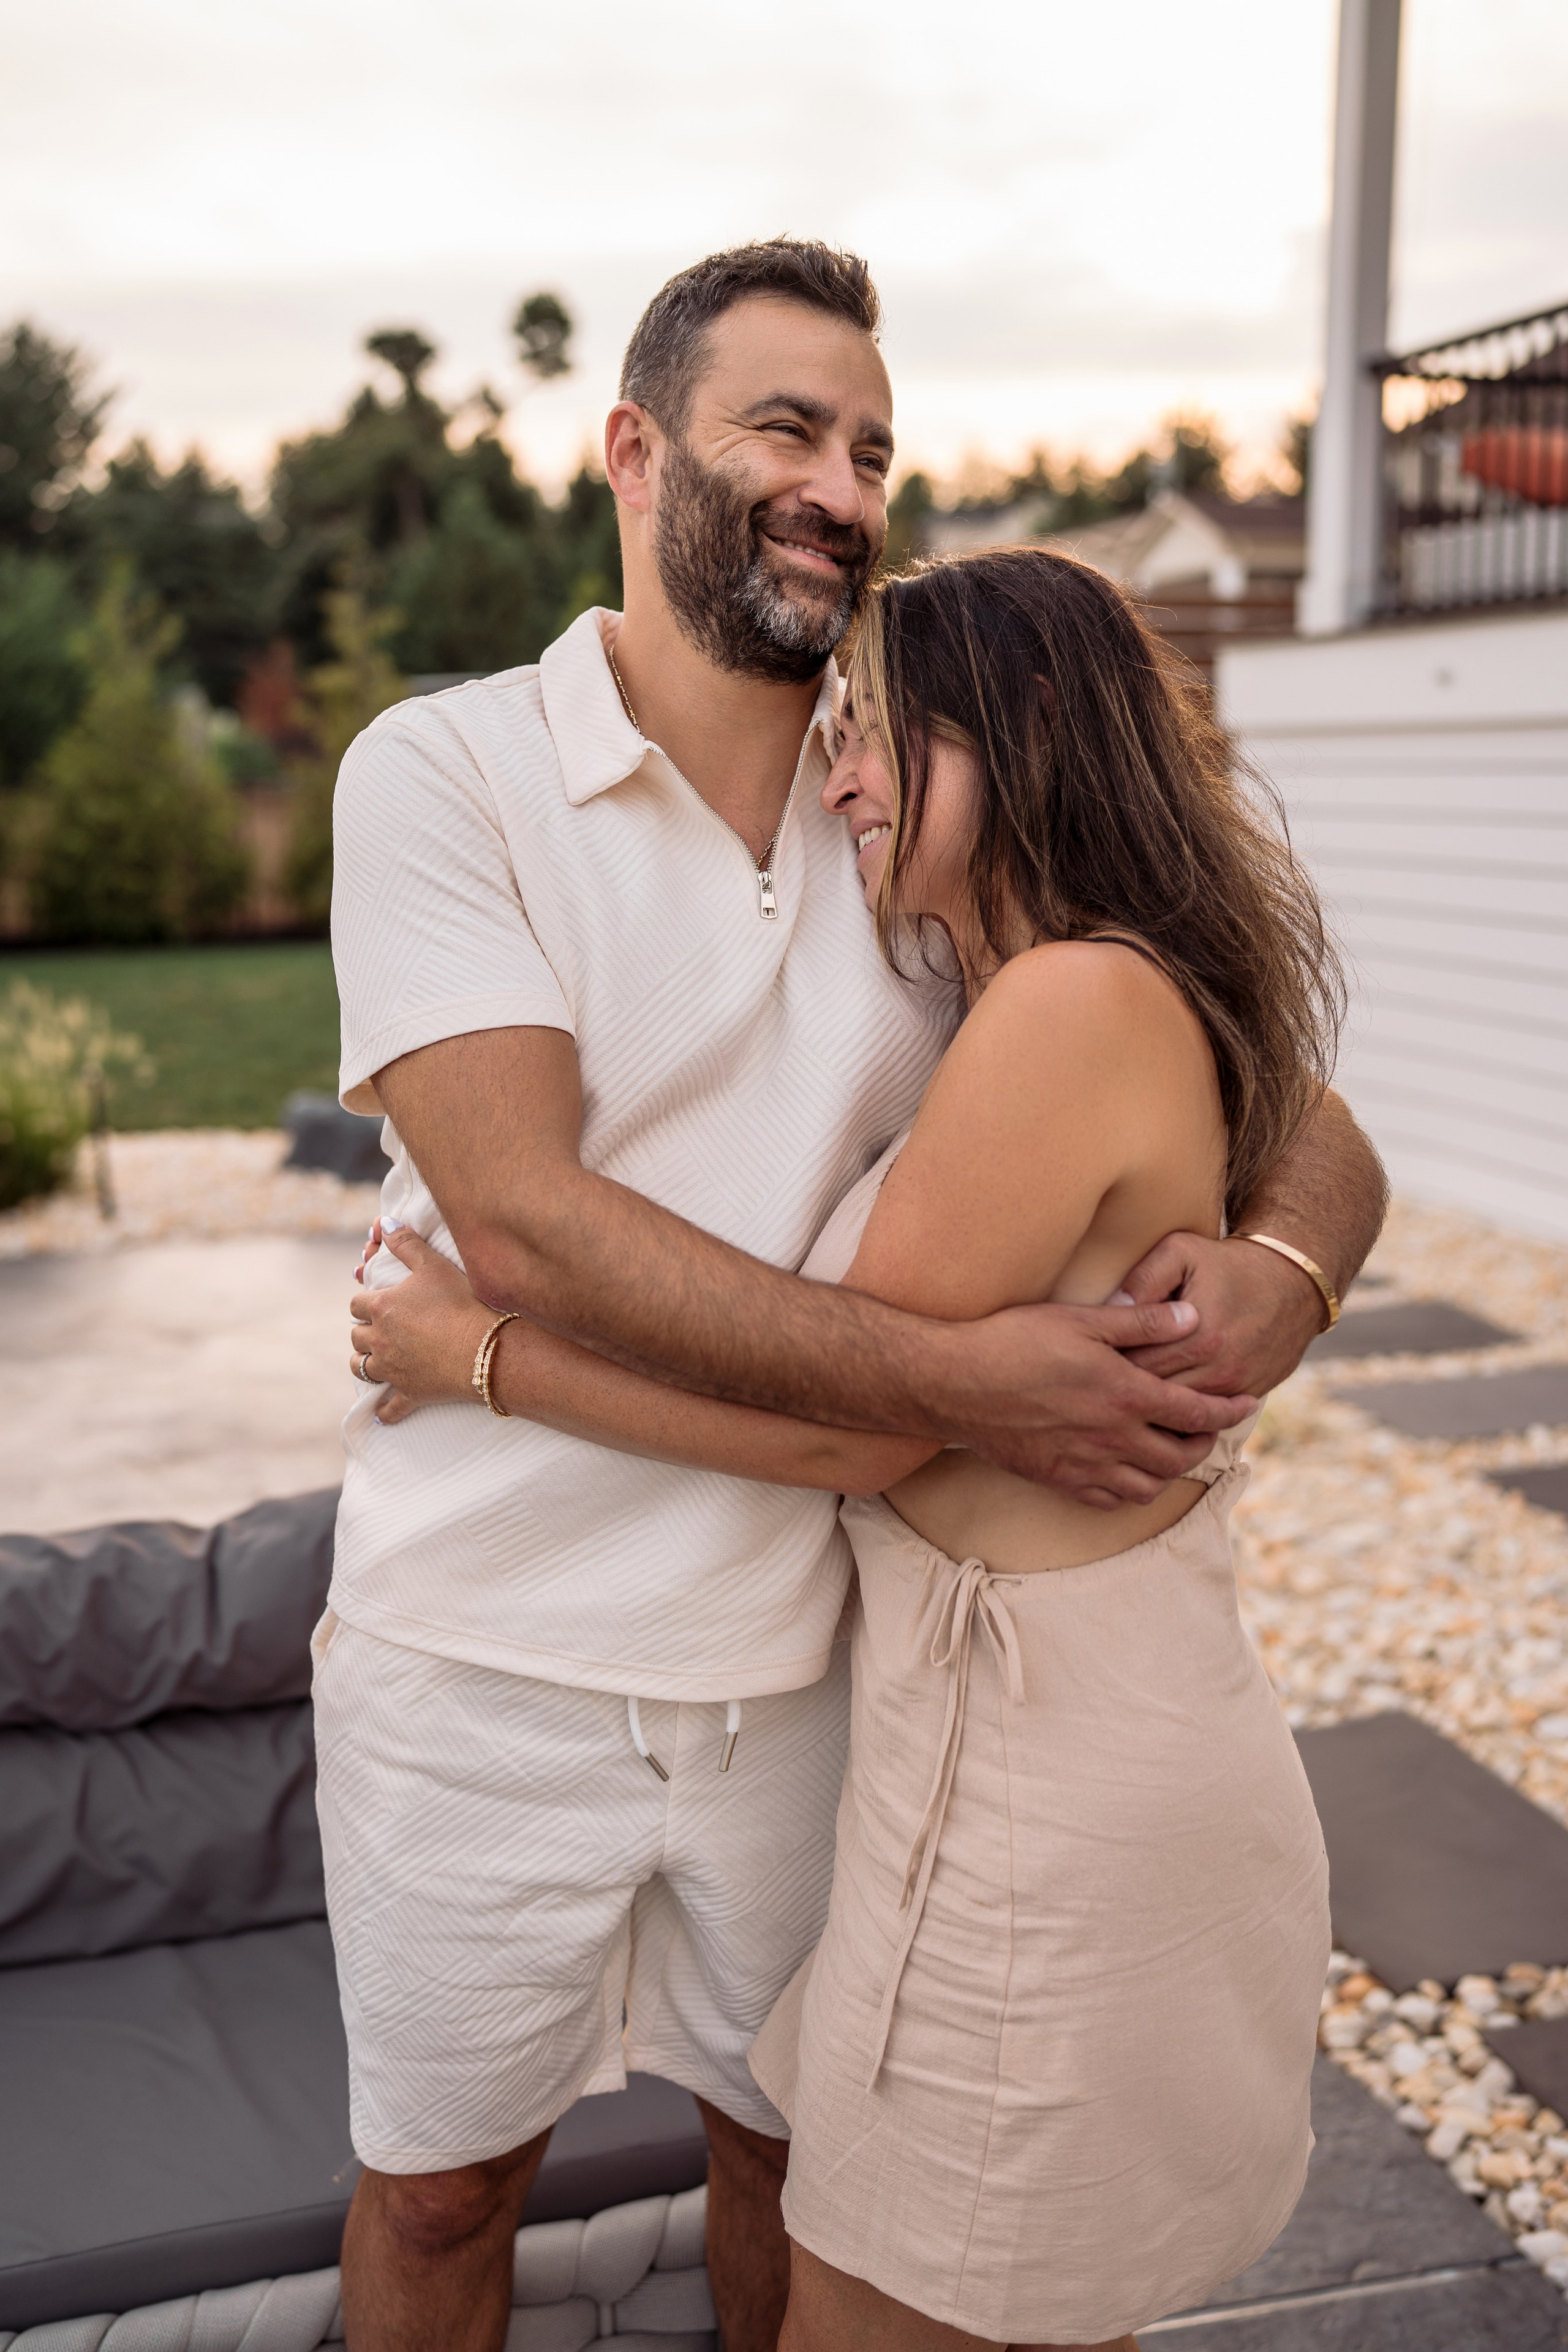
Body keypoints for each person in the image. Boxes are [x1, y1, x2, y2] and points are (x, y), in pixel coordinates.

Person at [320, 238, 1385, 2352]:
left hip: (831, 1666)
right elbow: (518, 1217)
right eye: (786, 428)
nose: (841, 483)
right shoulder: (444, 776)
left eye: (875, 447)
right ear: (634, 452)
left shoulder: (917, 784)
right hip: (486, 1655)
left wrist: (1282, 1270)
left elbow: (1290, 1101)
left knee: (803, 2178)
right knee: (439, 2199)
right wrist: (974, 1384)